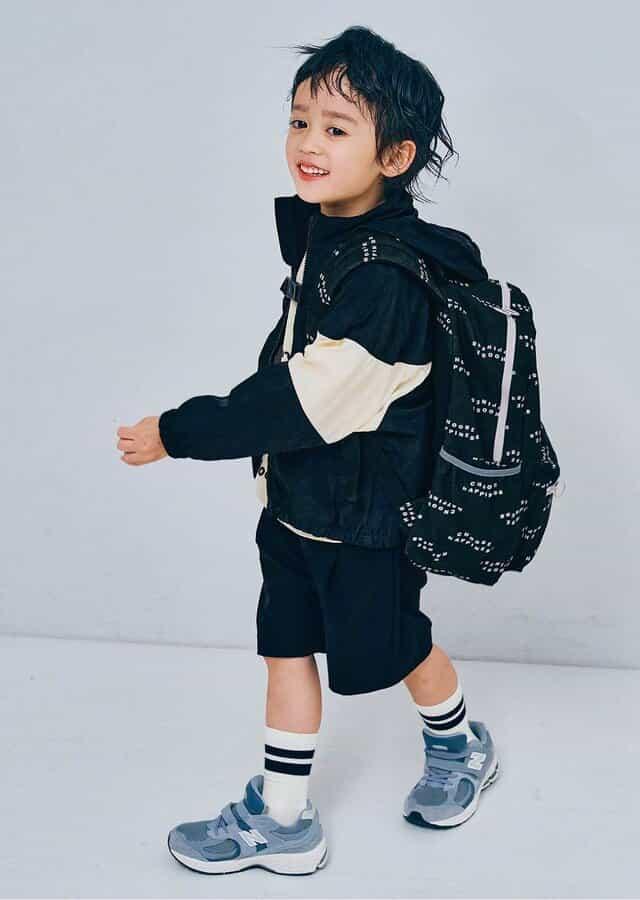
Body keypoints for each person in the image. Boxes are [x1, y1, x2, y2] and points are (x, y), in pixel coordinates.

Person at [116, 25, 500, 877]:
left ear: (394, 157)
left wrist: (180, 431)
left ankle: (459, 743)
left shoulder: (385, 280)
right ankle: (283, 817)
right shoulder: (329, 239)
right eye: (298, 121)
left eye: (335, 127)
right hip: (299, 503)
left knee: (399, 647)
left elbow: (299, 400)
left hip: (365, 520)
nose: (307, 144)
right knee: (284, 646)